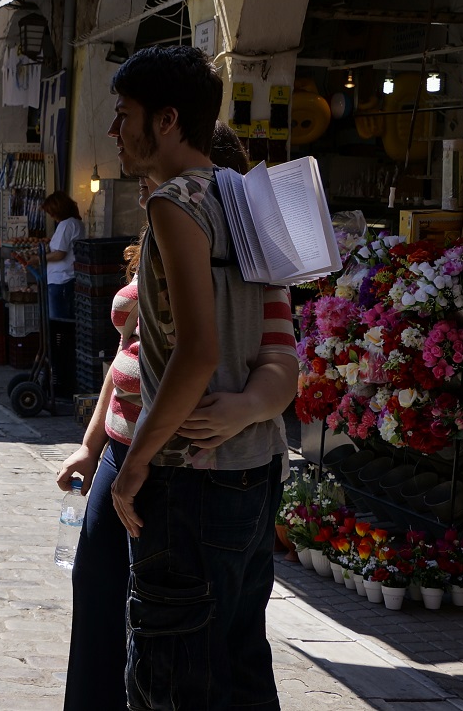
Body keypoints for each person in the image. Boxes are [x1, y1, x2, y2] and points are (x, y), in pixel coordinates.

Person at [59, 123, 288, 711]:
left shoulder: (250, 255)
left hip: (181, 466)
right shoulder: (159, 239)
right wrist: (92, 446)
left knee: (186, 641)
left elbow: (282, 362)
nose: (144, 187)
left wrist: (247, 407)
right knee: (102, 607)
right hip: (122, 453)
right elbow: (124, 360)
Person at [105, 46, 299, 711]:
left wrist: (136, 466)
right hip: (254, 466)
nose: (114, 131)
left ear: (165, 121)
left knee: (175, 674)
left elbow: (195, 352)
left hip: (190, 477)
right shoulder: (245, 196)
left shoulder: (174, 202)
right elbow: (278, 349)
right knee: (240, 666)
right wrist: (249, 404)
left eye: (122, 114)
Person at [41, 191, 85, 321]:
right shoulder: (75, 223)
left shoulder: (67, 224)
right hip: (65, 278)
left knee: (59, 321)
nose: (51, 216)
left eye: (51, 212)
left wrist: (39, 259)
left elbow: (60, 254)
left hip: (62, 279)